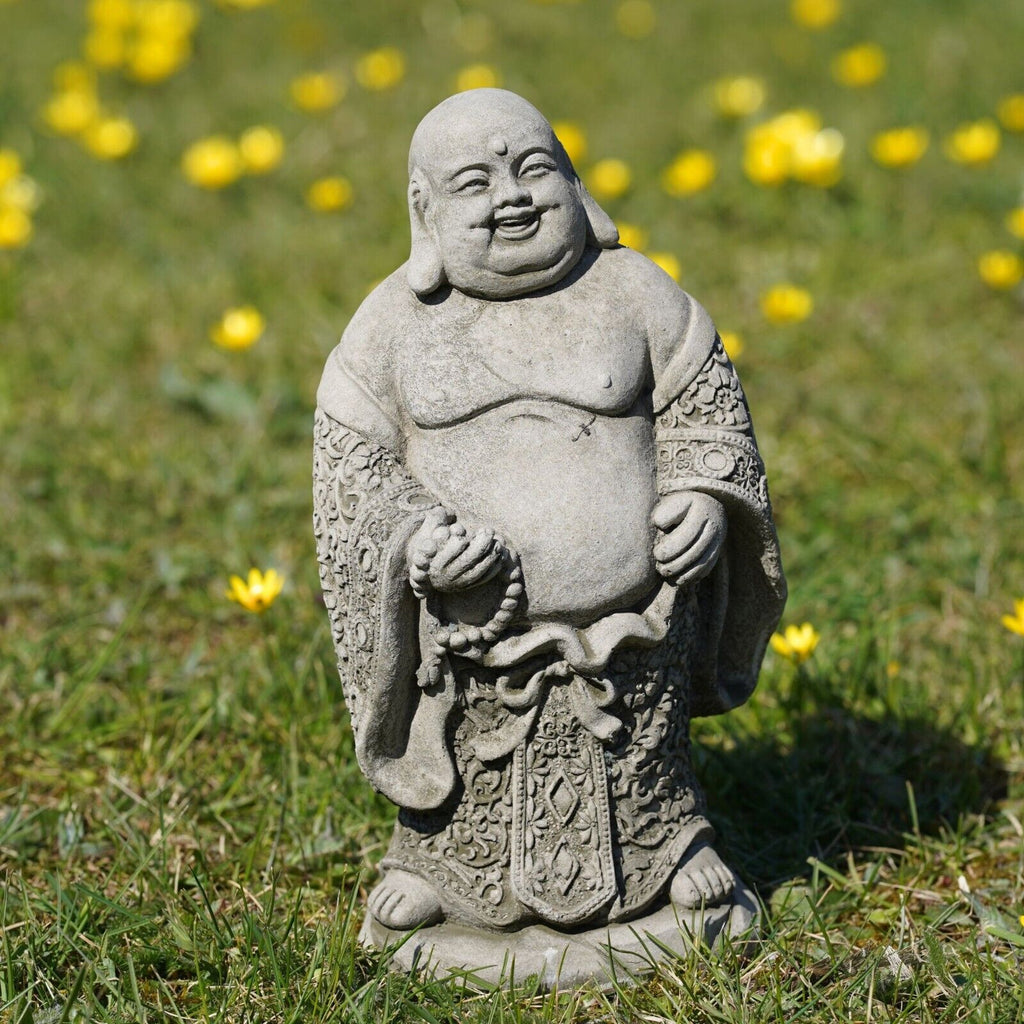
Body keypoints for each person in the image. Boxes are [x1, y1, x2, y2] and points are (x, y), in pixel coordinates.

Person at [313, 89, 786, 934]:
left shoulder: (635, 291)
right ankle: (441, 866)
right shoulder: (392, 325)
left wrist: (702, 495)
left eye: (534, 168)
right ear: (424, 213)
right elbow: (354, 467)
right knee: (471, 759)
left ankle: (674, 845)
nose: (512, 196)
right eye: (474, 183)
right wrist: (417, 541)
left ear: (575, 181)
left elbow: (706, 409)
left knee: (642, 753)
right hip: (472, 640)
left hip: (634, 631)